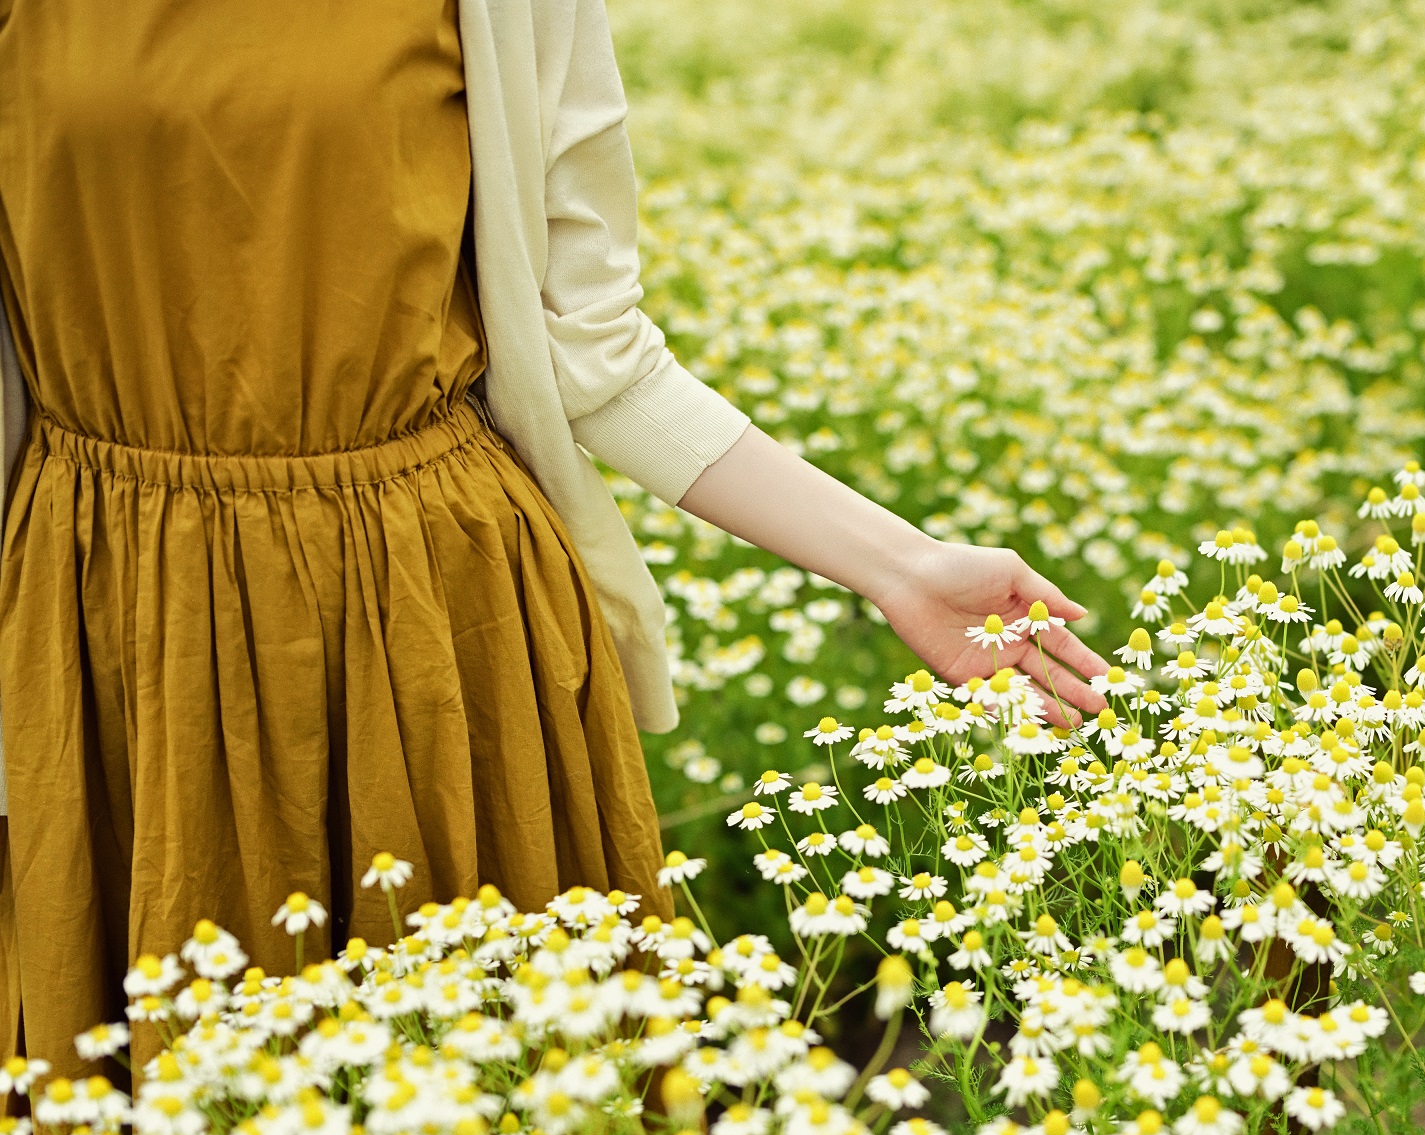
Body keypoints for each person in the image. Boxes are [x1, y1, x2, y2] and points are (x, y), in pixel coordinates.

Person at [0, 0, 1107, 1080]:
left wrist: (901, 567)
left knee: (495, 1124)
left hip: (432, 621)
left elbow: (598, 351)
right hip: (113, 616)